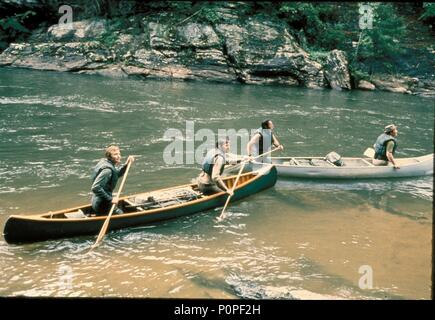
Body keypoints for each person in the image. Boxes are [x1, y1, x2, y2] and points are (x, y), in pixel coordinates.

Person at [91, 145, 135, 215]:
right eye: (115, 154)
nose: (119, 156)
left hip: (97, 201)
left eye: (119, 154)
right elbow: (95, 187)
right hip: (102, 204)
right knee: (121, 214)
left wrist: (127, 164)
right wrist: (111, 199)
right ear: (109, 156)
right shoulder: (107, 171)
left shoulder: (106, 163)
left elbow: (117, 174)